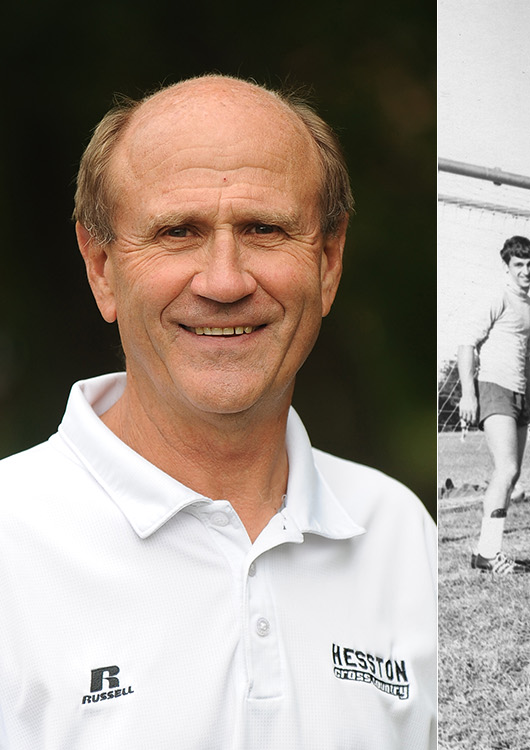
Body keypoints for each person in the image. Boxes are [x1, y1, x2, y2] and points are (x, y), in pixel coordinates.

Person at [0, 75, 436, 748]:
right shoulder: (13, 540)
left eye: (264, 228)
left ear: (327, 260)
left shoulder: (401, 536)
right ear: (100, 267)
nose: (225, 281)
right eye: (178, 231)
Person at [457, 235, 530, 573]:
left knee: (513, 473)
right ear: (507, 266)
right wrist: (468, 393)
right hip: (494, 387)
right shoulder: (499, 296)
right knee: (506, 469)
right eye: (519, 265)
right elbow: (467, 343)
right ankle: (489, 553)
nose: (525, 271)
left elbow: (527, 358)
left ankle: (488, 551)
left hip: (521, 394)